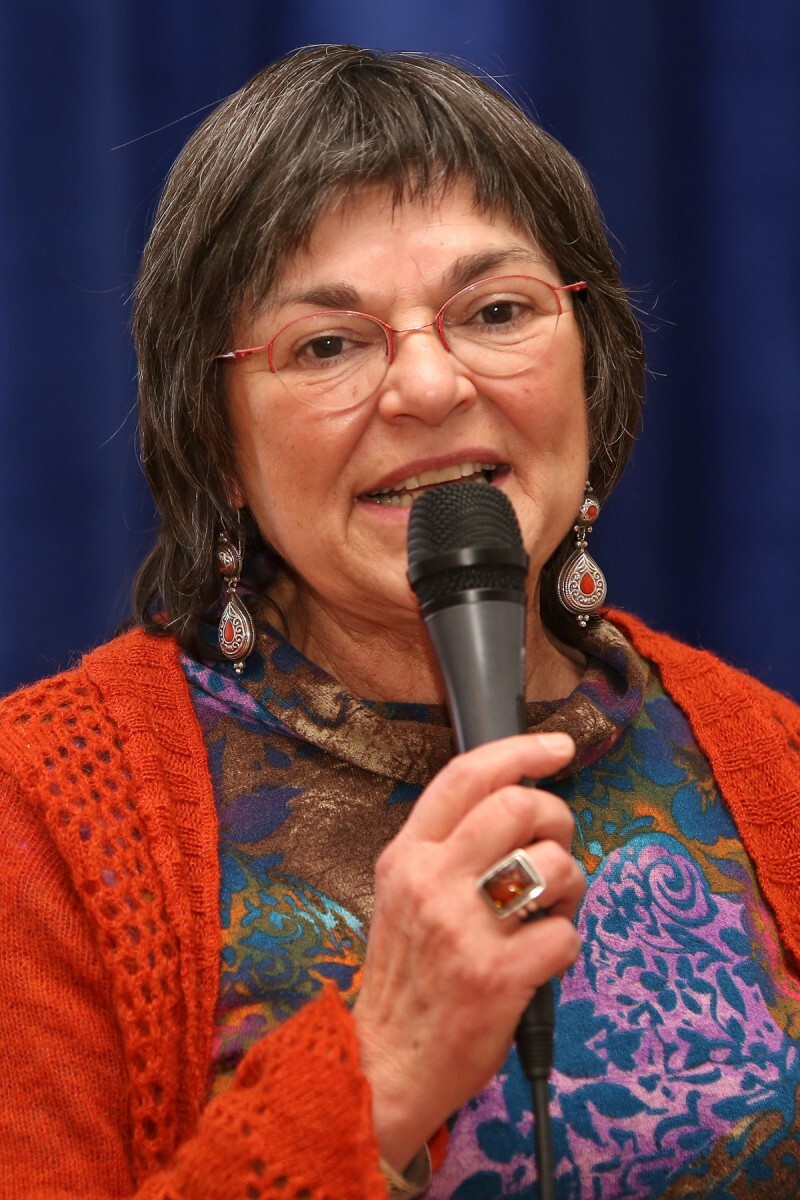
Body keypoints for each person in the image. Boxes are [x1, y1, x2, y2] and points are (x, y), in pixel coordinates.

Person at [1, 43, 799, 1200]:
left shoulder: (766, 753)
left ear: (591, 369)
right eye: (326, 343)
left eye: (495, 310)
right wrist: (383, 1068)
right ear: (215, 443)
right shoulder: (46, 816)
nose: (428, 387)